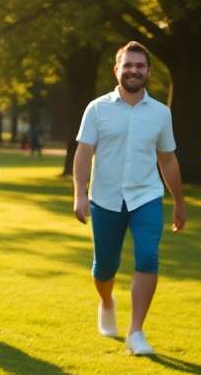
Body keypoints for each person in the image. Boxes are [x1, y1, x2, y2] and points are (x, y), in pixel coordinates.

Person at [72, 41, 186, 356]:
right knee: (104, 266)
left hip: (146, 196)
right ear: (117, 70)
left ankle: (136, 332)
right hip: (105, 199)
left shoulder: (161, 113)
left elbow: (168, 160)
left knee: (148, 257)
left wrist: (178, 202)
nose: (134, 71)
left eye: (140, 66)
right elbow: (84, 153)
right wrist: (79, 194)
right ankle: (107, 301)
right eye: (128, 65)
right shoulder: (97, 108)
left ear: (148, 71)